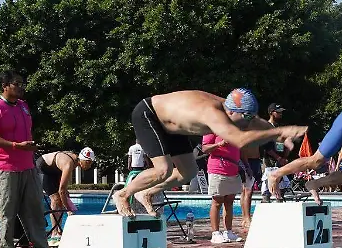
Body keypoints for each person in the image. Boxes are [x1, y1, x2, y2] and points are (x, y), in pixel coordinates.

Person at [114, 88, 305, 216]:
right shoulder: (213, 114)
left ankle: (148, 192)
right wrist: (279, 132)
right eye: (245, 117)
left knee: (187, 172)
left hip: (172, 127)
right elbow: (238, 140)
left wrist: (280, 136)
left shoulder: (233, 109)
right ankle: (123, 194)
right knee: (162, 169)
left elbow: (256, 122)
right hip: (149, 115)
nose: (248, 122)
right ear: (232, 112)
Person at [0, 70, 54, 248]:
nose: (21, 87)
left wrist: (28, 147)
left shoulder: (23, 106)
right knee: (6, 212)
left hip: (27, 167)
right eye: (17, 83)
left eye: (22, 83)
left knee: (34, 211)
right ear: (5, 86)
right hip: (4, 168)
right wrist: (16, 145)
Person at [36, 148, 95, 239]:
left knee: (62, 198)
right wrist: (68, 210)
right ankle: (54, 233)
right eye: (88, 162)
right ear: (82, 160)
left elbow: (64, 188)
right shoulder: (69, 164)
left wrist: (65, 198)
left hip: (54, 170)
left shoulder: (74, 161)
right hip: (43, 168)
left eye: (91, 162)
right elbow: (61, 190)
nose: (90, 166)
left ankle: (59, 231)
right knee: (55, 199)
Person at [200, 130, 243, 243]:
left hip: (233, 168)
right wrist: (219, 144)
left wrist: (246, 166)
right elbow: (204, 148)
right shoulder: (213, 128)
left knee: (229, 201)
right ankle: (215, 233)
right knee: (217, 201)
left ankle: (228, 232)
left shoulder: (235, 128)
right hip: (218, 168)